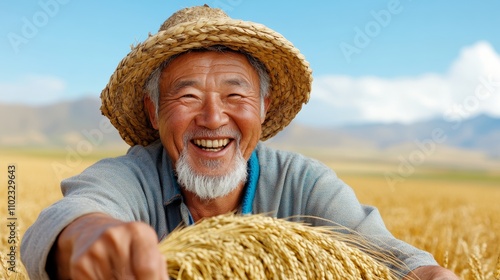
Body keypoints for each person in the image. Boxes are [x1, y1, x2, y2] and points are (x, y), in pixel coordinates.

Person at [21, 5, 459, 279]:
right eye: (188, 96)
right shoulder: (133, 176)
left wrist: (427, 274)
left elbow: (386, 255)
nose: (213, 119)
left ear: (264, 107)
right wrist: (90, 235)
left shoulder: (301, 183)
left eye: (235, 95)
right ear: (154, 113)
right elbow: (69, 216)